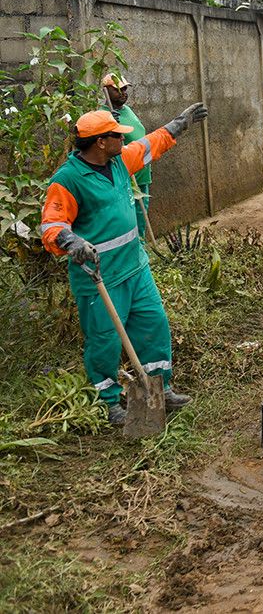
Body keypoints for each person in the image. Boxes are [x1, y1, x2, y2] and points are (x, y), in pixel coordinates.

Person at [41, 102, 209, 427]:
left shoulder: (119, 162)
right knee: (105, 340)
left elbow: (150, 145)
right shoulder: (69, 179)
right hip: (100, 277)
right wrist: (71, 242)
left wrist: (180, 123)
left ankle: (158, 390)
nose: (124, 138)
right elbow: (51, 224)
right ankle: (107, 402)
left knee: (153, 326)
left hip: (135, 267)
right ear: (100, 142)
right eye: (117, 135)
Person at [101, 72, 152, 240]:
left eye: (124, 89)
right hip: (126, 178)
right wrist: (108, 123)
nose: (123, 93)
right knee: (130, 223)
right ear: (106, 91)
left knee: (141, 219)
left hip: (142, 175)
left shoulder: (127, 110)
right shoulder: (102, 115)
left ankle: (142, 251)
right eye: (117, 90)